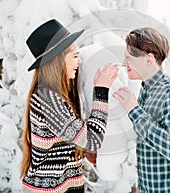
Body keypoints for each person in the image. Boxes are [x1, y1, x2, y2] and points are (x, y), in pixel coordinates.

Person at [21, 19, 118, 193]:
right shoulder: (47, 100)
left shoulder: (51, 96)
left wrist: (79, 148)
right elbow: (93, 140)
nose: (79, 62)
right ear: (58, 60)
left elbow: (67, 138)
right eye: (75, 56)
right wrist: (101, 91)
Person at [113, 27, 170, 193]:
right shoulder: (146, 90)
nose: (124, 63)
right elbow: (149, 143)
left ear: (148, 59)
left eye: (128, 58)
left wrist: (134, 109)